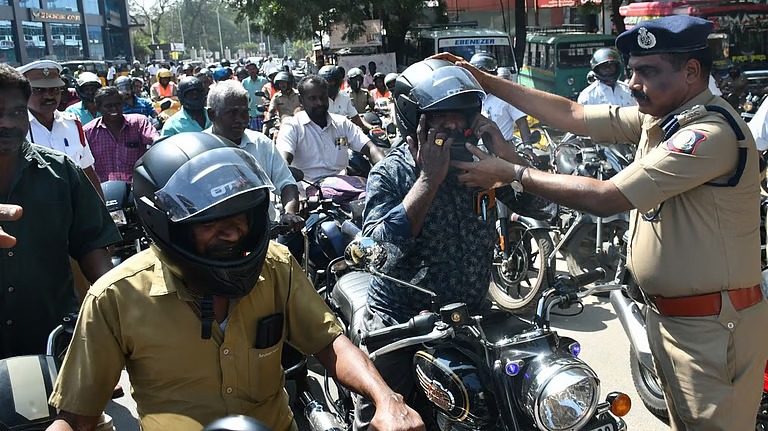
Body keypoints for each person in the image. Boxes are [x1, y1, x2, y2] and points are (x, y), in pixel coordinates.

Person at [436, 16, 768, 431]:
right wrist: (485, 80)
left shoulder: (708, 133)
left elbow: (607, 196)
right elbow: (574, 113)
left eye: (646, 72)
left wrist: (511, 172)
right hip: (676, 322)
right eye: (631, 71)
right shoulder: (663, 119)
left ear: (690, 72)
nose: (632, 83)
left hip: (713, 329)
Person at [45, 132, 424, 431]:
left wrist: (386, 398)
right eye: (210, 223)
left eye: (239, 218)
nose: (232, 234)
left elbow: (328, 342)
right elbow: (79, 416)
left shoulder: (275, 266)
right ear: (166, 228)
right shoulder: (114, 298)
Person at [355, 58, 530, 430]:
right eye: (440, 119)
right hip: (403, 326)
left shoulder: (481, 163)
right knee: (388, 419)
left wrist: (503, 152)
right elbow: (381, 252)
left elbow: (540, 206)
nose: (453, 127)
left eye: (461, 116)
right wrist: (427, 182)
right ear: (412, 120)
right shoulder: (392, 172)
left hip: (471, 316)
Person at [0, 64, 121, 359]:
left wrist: (121, 307)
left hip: (53, 344)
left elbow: (92, 246)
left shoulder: (61, 171)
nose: (6, 123)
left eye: (16, 113)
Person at [205, 80, 303, 229]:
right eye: (232, 113)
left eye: (244, 113)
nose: (240, 120)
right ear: (212, 114)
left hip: (263, 233)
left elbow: (286, 183)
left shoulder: (261, 143)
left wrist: (289, 212)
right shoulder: (199, 149)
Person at [276, 75, 385, 184]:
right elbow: (283, 159)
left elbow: (370, 148)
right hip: (309, 192)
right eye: (313, 98)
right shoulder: (292, 127)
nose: (319, 103)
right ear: (301, 100)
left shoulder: (342, 124)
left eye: (322, 97)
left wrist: (386, 167)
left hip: (345, 189)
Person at [19, 61, 103, 198]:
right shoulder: (14, 130)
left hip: (75, 211)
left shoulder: (73, 124)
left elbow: (88, 172)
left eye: (54, 89)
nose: (48, 95)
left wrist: (102, 212)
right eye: (39, 90)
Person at [83, 86, 157, 182]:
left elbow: (155, 139)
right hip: (104, 191)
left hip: (136, 189)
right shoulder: (88, 132)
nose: (114, 109)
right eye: (108, 106)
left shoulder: (139, 122)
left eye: (117, 104)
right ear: (98, 108)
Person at [470, 52, 532, 143]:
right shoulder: (471, 98)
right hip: (477, 150)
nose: (480, 78)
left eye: (484, 74)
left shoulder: (506, 97)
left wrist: (527, 147)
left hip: (504, 151)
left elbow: (522, 123)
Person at [319, 65, 370, 133]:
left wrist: (371, 127)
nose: (329, 85)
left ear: (338, 82)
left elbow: (356, 118)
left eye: (332, 81)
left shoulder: (344, 97)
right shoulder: (318, 100)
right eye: (326, 82)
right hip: (324, 134)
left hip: (344, 134)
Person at [242, 60, 269, 131]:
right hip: (251, 113)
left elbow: (267, 95)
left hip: (263, 112)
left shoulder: (263, 81)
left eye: (253, 69)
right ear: (247, 71)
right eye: (250, 69)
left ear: (256, 69)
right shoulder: (245, 82)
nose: (252, 71)